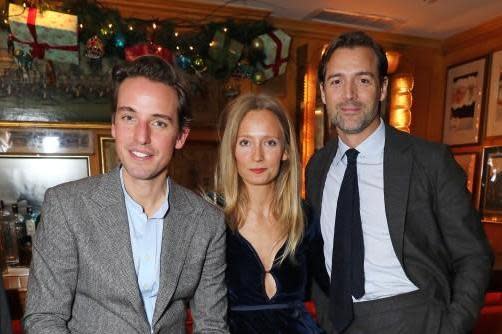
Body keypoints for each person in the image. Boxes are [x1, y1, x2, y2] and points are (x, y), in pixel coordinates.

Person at [23, 56, 228, 334]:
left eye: (159, 123)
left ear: (180, 136)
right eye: (129, 117)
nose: (140, 136)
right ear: (114, 125)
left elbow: (212, 326)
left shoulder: (207, 222)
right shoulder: (67, 207)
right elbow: (44, 319)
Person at [305, 31, 492, 334]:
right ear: (324, 92)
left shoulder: (429, 161)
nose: (349, 94)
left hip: (415, 318)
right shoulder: (317, 167)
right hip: (336, 321)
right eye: (337, 81)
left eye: (363, 80)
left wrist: (453, 326)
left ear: (382, 88)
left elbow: (473, 254)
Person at [215, 93, 322, 333]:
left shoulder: (305, 219)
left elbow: (335, 288)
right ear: (231, 150)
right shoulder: (211, 219)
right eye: (245, 142)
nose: (257, 156)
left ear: (285, 151)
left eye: (270, 142)